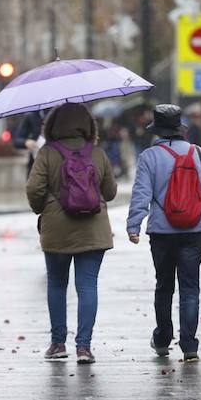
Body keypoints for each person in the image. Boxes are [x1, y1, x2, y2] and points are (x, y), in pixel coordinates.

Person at [127, 103, 201, 363]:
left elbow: (141, 194)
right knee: (190, 288)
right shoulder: (199, 153)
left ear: (157, 130)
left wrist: (134, 225)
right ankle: (189, 346)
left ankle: (162, 340)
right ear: (180, 127)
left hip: (161, 232)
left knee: (164, 287)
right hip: (195, 230)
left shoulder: (149, 157)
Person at [26, 103, 118, 364]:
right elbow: (110, 192)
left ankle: (58, 344)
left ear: (52, 125)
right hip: (94, 229)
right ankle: (84, 347)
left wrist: (42, 209)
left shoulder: (47, 153)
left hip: (57, 229)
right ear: (89, 125)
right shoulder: (97, 153)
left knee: (57, 283)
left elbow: (33, 188)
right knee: (87, 286)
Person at [12, 110, 46, 178]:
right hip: (35, 165)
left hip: (56, 165)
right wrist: (26, 142)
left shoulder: (59, 113)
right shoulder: (32, 116)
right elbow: (16, 140)